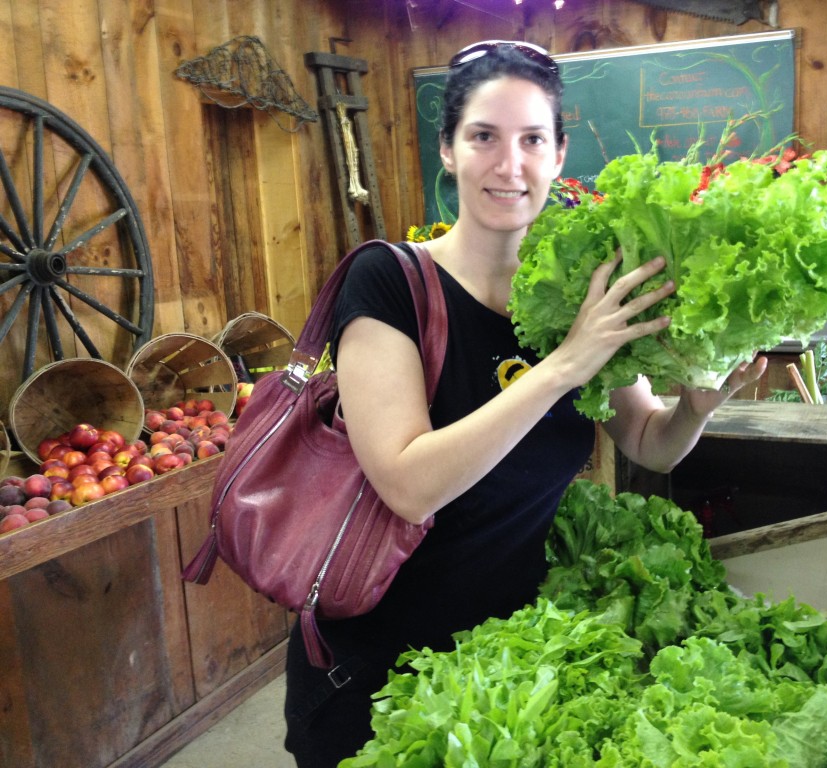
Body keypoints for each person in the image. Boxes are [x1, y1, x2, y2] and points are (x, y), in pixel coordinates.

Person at [283, 39, 767, 767]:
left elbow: (647, 441)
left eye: (532, 139)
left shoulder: (580, 290)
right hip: (374, 676)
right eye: (484, 136)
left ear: (559, 153)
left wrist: (694, 406)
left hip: (507, 666)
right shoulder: (388, 283)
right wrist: (566, 364)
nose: (510, 165)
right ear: (447, 149)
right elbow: (409, 485)